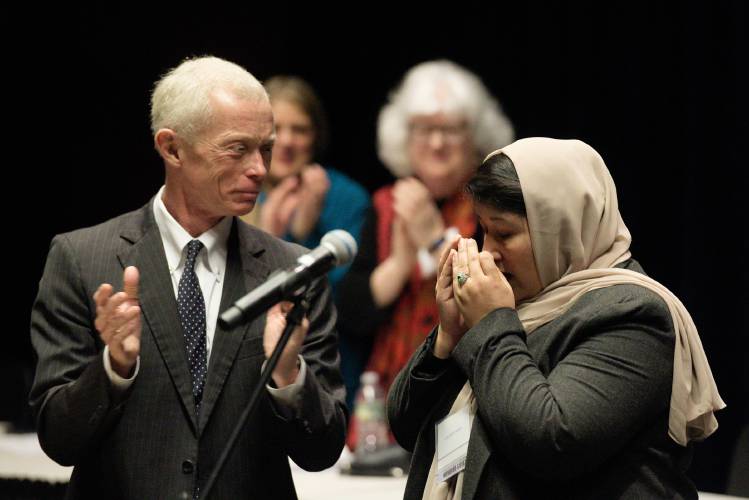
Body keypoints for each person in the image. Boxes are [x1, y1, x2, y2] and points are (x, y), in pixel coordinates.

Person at [29, 56, 346, 499]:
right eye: (237, 148)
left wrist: (289, 374)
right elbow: (58, 440)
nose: (260, 168)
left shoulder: (294, 271)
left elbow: (323, 451)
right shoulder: (82, 258)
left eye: (266, 149)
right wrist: (114, 368)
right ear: (172, 148)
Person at [387, 137, 725, 499]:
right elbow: (408, 428)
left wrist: (490, 325)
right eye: (484, 231)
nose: (488, 253)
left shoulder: (634, 315)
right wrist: (448, 337)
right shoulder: (507, 304)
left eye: (504, 233)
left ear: (561, 228)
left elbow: (550, 442)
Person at [338, 60, 514, 410]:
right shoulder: (388, 204)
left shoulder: (496, 202)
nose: (436, 144)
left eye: (450, 130)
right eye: (423, 129)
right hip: (390, 398)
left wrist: (435, 239)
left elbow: (491, 300)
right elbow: (352, 314)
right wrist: (401, 263)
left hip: (467, 395)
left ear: (475, 136)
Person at [240, 75, 369, 294]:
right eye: (275, 129)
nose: (287, 141)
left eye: (300, 130)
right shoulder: (238, 190)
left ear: (316, 136)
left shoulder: (347, 197)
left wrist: (301, 235)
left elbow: (343, 296)